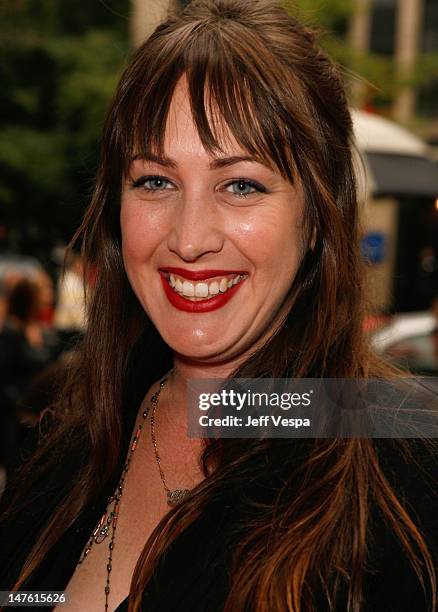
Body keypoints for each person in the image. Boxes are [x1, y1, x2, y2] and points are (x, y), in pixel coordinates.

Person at [0, 1, 437, 611]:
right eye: (156, 181)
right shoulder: (63, 440)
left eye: (241, 185)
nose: (189, 236)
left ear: (316, 217)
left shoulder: (400, 464)